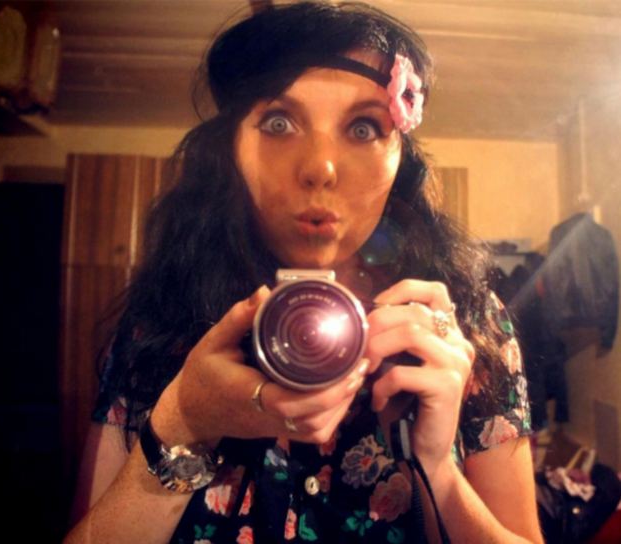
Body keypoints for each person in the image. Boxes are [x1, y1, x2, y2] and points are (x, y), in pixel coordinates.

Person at [65, 2, 543, 542]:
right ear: (231, 150)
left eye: (363, 127)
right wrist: (184, 420)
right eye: (278, 123)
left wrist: (436, 466)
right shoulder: (162, 317)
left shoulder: (463, 325)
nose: (320, 167)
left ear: (400, 157)